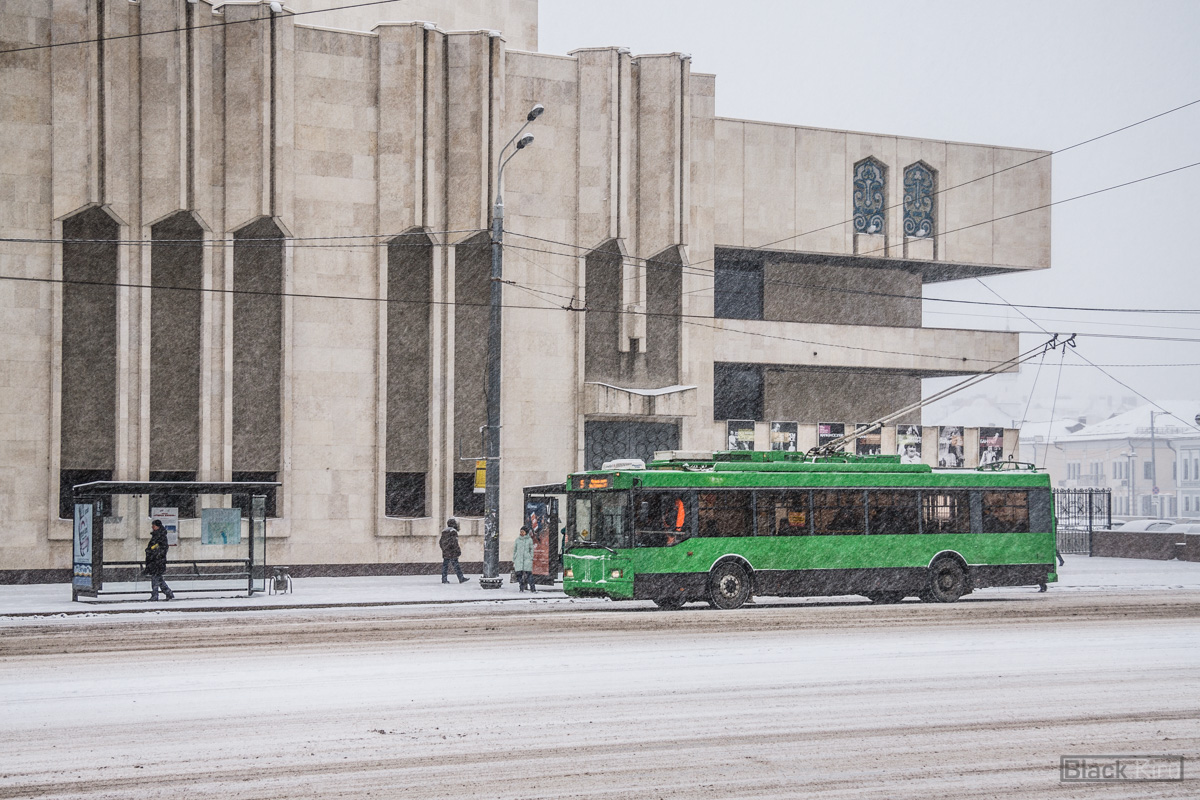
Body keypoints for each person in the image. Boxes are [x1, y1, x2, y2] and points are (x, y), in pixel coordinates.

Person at [145, 519, 174, 601]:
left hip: (157, 561)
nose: (152, 527)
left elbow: (160, 547)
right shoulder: (157, 535)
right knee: (159, 579)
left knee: (155, 578)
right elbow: (155, 546)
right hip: (156, 561)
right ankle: (168, 593)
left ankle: (155, 595)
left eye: (154, 525)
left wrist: (152, 552)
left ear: (157, 526)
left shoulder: (160, 536)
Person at [439, 518, 469, 584]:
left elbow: (441, 542)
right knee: (456, 566)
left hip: (446, 552)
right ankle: (461, 578)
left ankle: (444, 579)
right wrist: (457, 550)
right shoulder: (453, 532)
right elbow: (454, 542)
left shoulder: (444, 531)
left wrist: (444, 549)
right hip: (452, 552)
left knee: (445, 566)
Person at [512, 525, 535, 592]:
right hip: (518, 559)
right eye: (521, 531)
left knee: (529, 575)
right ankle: (521, 587)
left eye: (523, 531)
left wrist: (531, 557)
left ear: (526, 532)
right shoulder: (517, 540)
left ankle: (532, 588)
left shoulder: (529, 540)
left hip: (527, 559)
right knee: (519, 574)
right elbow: (515, 550)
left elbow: (531, 549)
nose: (521, 533)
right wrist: (514, 558)